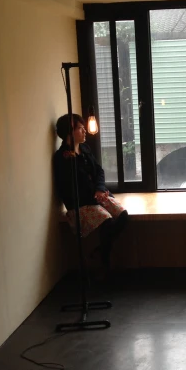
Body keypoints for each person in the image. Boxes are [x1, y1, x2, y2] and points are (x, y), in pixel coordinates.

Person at [53, 113, 128, 277]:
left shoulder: (85, 149)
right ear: (70, 132)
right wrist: (95, 197)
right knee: (106, 220)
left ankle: (100, 250)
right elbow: (68, 189)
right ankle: (105, 263)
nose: (84, 131)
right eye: (80, 128)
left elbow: (99, 171)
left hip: (97, 195)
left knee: (123, 215)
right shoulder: (62, 158)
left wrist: (100, 189)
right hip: (81, 203)